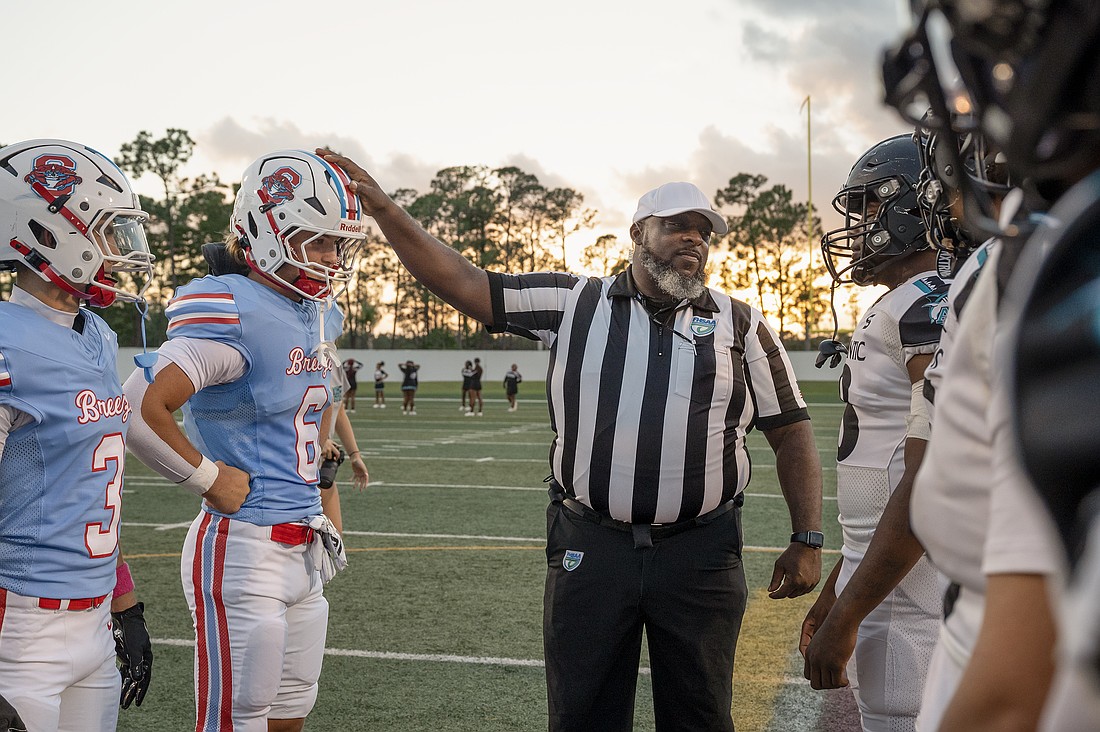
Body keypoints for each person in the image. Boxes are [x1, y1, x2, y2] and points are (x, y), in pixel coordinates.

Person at [319, 149, 823, 732]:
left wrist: (807, 537)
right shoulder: (574, 302)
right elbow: (465, 283)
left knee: (701, 716)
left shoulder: (742, 324)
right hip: (592, 543)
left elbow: (791, 431)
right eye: (676, 226)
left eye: (703, 232)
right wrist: (384, 209)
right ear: (638, 233)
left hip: (701, 554)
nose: (693, 239)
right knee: (582, 713)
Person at [123, 149, 363, 732]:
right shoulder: (231, 306)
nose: (332, 256)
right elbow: (137, 406)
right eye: (318, 241)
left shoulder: (316, 311)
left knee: (291, 711)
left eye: (338, 243)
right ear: (269, 232)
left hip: (305, 543)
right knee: (238, 718)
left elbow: (312, 401)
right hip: (246, 548)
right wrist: (206, 477)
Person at [0, 139, 157, 731]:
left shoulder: (95, 333)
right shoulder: (8, 343)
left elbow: (86, 493)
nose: (120, 252)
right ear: (49, 232)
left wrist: (126, 602)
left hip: (95, 623)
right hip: (20, 628)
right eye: (107, 232)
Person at [801, 134, 950, 732]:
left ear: (914, 206)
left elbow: (932, 478)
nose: (857, 227)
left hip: (913, 602)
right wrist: (838, 590)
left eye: (868, 207)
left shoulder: (924, 304)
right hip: (893, 585)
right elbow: (882, 474)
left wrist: (845, 617)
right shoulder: (904, 302)